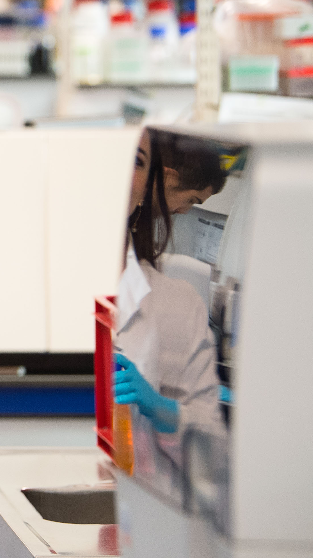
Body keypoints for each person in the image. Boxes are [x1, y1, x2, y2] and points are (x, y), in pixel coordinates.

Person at [113, 129, 223, 501]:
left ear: (148, 183)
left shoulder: (177, 304)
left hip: (145, 510)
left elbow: (213, 450)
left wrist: (165, 412)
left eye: (137, 161)